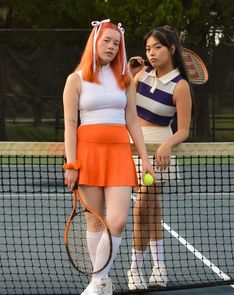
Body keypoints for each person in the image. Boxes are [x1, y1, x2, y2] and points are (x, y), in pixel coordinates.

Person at [63, 19, 155, 295]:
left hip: (118, 154)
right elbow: (69, 125)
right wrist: (71, 164)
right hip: (87, 154)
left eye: (117, 43)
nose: (112, 47)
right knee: (95, 221)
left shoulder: (125, 80)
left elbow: (133, 122)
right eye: (107, 41)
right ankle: (100, 283)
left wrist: (145, 158)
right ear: (95, 41)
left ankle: (96, 280)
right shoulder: (75, 80)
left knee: (117, 221)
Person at [127, 25, 192, 290]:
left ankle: (135, 269)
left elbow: (184, 130)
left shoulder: (181, 85)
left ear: (172, 50)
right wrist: (130, 75)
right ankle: (159, 267)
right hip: (134, 145)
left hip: (159, 149)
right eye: (148, 48)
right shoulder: (141, 75)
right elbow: (125, 104)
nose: (151, 53)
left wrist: (167, 144)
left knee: (142, 205)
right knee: (150, 208)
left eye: (157, 47)